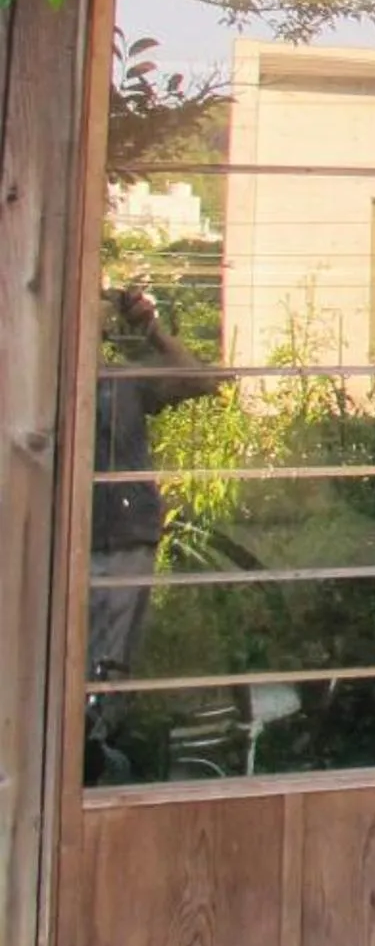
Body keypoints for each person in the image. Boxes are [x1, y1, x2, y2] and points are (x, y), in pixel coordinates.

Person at [89, 285, 213, 678]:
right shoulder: (35, 387)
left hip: (122, 539)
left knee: (108, 664)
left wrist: (151, 329)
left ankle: (102, 714)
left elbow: (197, 380)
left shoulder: (123, 382)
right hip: (62, 541)